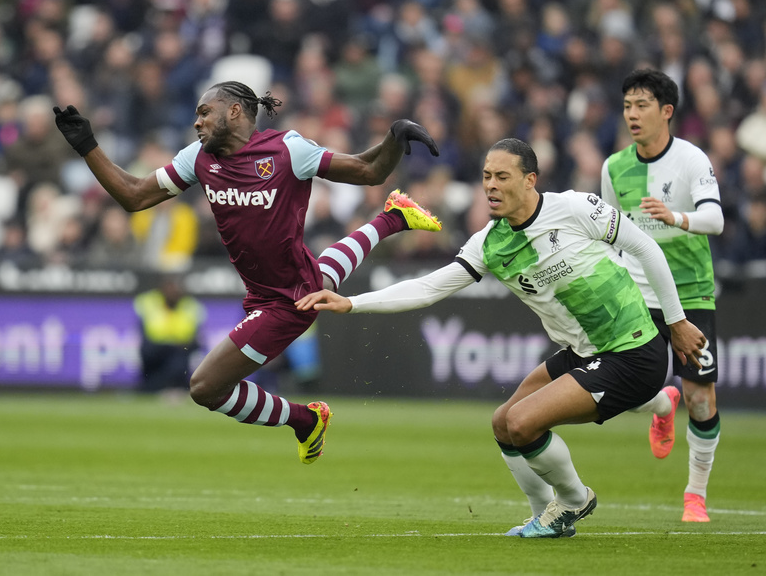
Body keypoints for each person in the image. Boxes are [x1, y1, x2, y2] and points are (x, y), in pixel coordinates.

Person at [296, 138, 707, 537]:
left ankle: (573, 499)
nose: (491, 185)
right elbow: (428, 287)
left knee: (522, 422)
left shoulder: (575, 208)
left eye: (502, 176)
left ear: (530, 180)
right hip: (582, 353)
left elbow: (647, 248)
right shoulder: (490, 244)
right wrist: (351, 303)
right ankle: (544, 512)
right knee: (502, 424)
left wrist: (677, 321)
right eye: (486, 176)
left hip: (633, 351)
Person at [54, 80, 442, 464]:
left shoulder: (288, 149)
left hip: (286, 303)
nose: (197, 122)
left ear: (235, 111)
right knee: (320, 276)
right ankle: (393, 218)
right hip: (278, 284)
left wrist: (394, 137)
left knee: (205, 387)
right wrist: (87, 146)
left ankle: (306, 420)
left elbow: (367, 170)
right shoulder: (199, 158)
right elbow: (135, 194)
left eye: (205, 112)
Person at [601, 69, 724, 523]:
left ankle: (695, 495)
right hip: (637, 291)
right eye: (628, 106)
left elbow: (716, 220)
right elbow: (609, 232)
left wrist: (676, 218)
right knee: (623, 386)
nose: (632, 115)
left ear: (666, 111)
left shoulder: (691, 160)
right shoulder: (614, 166)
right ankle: (659, 404)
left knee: (701, 399)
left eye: (642, 106)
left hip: (690, 292)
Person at [134, 274, 206, 397]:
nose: (172, 292)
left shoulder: (191, 306)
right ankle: (156, 389)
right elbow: (143, 333)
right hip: (155, 349)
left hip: (180, 351)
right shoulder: (148, 302)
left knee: (179, 359)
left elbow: (197, 338)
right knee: (152, 353)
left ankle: (170, 389)